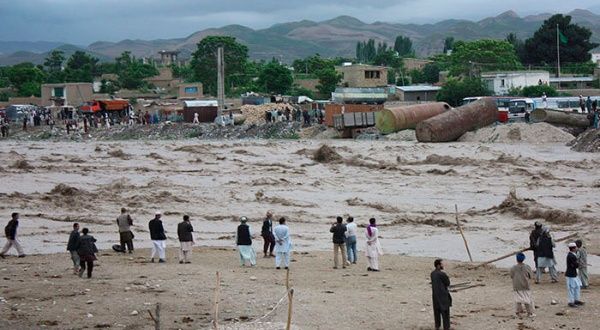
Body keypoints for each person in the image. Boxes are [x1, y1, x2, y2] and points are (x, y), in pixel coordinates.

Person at [510, 253, 535, 318]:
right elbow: (531, 276)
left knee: (518, 299)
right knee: (527, 299)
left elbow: (511, 276)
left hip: (516, 286)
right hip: (525, 285)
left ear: (516, 259)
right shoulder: (527, 267)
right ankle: (529, 313)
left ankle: (518, 313)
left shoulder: (513, 268)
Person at [431, 259, 452, 330]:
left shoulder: (432, 274)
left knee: (437, 312)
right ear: (438, 265)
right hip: (443, 296)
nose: (443, 265)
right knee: (445, 313)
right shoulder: (442, 274)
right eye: (442, 264)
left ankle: (437, 326)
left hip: (435, 296)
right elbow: (448, 283)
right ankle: (446, 327)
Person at [566, 242, 584, 307]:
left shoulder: (573, 254)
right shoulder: (571, 256)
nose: (576, 248)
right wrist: (579, 264)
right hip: (571, 274)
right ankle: (571, 302)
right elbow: (575, 265)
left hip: (574, 274)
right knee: (571, 288)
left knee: (577, 287)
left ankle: (576, 299)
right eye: (575, 247)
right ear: (573, 248)